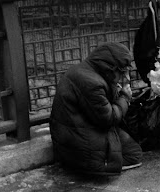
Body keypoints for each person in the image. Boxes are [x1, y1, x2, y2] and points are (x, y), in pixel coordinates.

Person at [49, 42, 143, 175]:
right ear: (110, 68)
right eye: (122, 73)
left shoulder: (87, 71)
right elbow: (108, 118)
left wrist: (116, 91)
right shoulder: (92, 83)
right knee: (133, 155)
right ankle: (99, 165)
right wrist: (124, 98)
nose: (125, 78)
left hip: (78, 133)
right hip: (79, 145)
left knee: (134, 148)